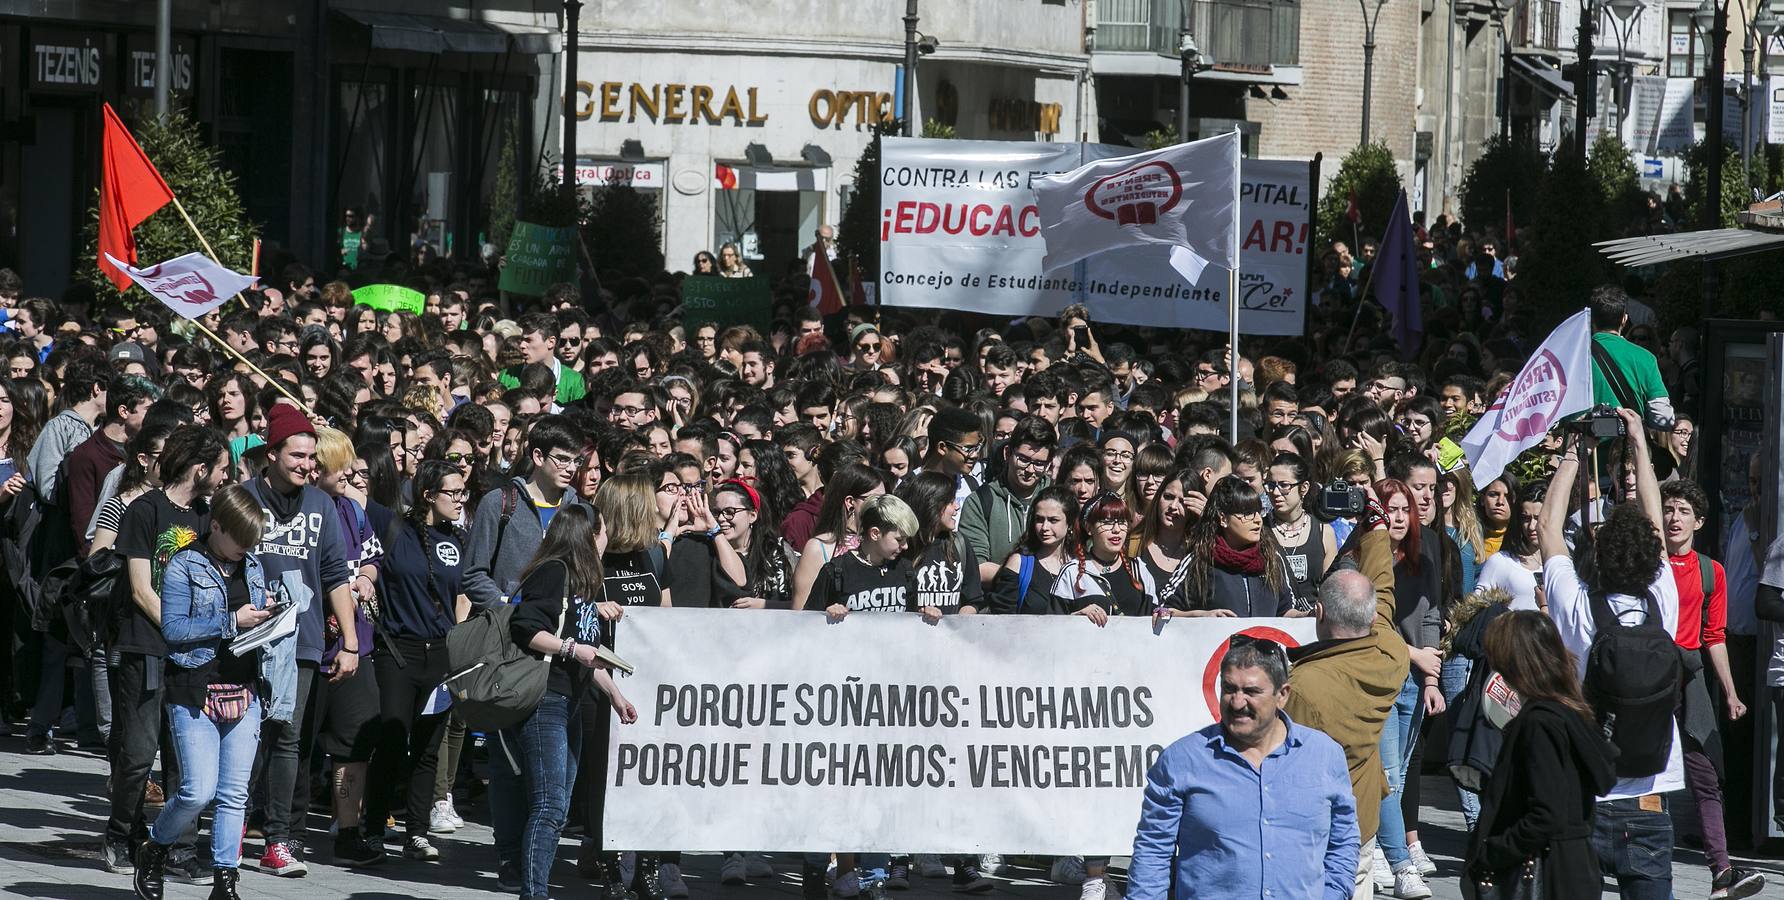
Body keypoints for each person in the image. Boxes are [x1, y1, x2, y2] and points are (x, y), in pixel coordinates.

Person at [1539, 407, 1684, 899]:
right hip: (1650, 796)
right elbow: (1653, 517)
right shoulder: (1664, 600)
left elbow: (1547, 526)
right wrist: (1640, 442)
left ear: (1595, 558)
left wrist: (1574, 454)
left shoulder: (1578, 609)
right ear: (1652, 554)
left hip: (1587, 794)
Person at [133, 485, 287, 900]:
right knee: (196, 791)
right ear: (216, 526)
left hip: (244, 688)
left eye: (252, 542)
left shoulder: (251, 566)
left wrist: (273, 615)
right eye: (240, 540)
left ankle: (225, 882)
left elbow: (254, 619)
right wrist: (232, 619)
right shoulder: (185, 564)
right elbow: (174, 629)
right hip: (194, 688)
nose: (246, 549)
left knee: (234, 793)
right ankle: (155, 847)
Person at [1128, 641, 1360, 900]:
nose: (1238, 702)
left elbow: (1344, 840)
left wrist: (1334, 893)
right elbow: (1153, 852)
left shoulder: (1324, 755)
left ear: (1282, 695)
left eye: (1251, 691)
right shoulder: (1181, 760)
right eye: (1229, 689)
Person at [242, 404, 361, 877]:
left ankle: (277, 841)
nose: (307, 465)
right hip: (248, 638)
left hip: (303, 641)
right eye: (297, 455)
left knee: (289, 741)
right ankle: (231, 831)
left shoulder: (322, 505)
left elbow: (336, 575)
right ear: (271, 454)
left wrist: (349, 642)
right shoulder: (244, 497)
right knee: (246, 739)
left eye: (312, 457)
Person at [505, 504, 638, 900]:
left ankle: (536, 888)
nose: (607, 540)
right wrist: (570, 647)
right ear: (587, 535)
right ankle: (534, 892)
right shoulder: (554, 572)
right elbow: (525, 627)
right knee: (549, 804)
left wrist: (616, 695)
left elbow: (589, 654)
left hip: (571, 701)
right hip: (546, 698)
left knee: (558, 807)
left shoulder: (582, 585)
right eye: (603, 533)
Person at [1284, 489, 1407, 900]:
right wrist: (1375, 531)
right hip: (1361, 821)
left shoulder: (1302, 686)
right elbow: (1383, 601)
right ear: (1369, 618)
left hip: (1312, 828)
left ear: (1318, 613)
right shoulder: (1391, 654)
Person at [1659, 480, 1765, 898]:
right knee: (1641, 771)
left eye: (1684, 511)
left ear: (1699, 522)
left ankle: (1721, 870)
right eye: (1669, 509)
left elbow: (1714, 635)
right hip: (1648, 675)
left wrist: (1731, 692)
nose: (1674, 518)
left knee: (1705, 774)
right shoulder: (1648, 563)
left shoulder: (1711, 571)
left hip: (1690, 678)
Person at [1462, 611, 1617, 898]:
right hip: (1575, 867)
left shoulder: (1540, 722)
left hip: (1547, 874)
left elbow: (1547, 814)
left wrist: (1492, 852)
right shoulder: (1572, 712)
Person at [364, 460, 469, 862]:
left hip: (439, 654)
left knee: (428, 747)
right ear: (428, 495)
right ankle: (374, 829)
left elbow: (462, 592)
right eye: (453, 493)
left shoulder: (457, 538)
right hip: (398, 651)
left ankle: (417, 833)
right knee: (392, 740)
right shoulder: (394, 529)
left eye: (463, 493)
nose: (460, 500)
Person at [1157, 476, 1294, 618]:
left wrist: (1308, 615)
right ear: (1223, 519)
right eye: (1247, 514)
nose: (1258, 520)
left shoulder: (1271, 559)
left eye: (1258, 512)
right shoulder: (1199, 560)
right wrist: (1201, 616)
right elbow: (1163, 610)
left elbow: (1286, 610)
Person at [958, 416, 1053, 586]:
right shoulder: (980, 501)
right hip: (997, 606)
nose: (1030, 470)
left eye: (1039, 463)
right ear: (1008, 453)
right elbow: (976, 567)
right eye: (1023, 459)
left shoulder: (1059, 501)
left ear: (1049, 465)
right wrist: (1029, 577)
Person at [1587, 285, 1674, 432]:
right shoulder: (1645, 358)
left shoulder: (1576, 356)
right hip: (1630, 449)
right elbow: (1662, 418)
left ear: (1591, 319)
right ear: (1624, 319)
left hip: (1581, 449)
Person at [1267, 452, 1339, 613]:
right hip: (1272, 623)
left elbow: (1330, 589)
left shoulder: (1323, 532)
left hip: (1312, 623)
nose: (1275, 493)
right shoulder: (1259, 530)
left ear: (1304, 487)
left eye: (1284, 485)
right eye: (1271, 485)